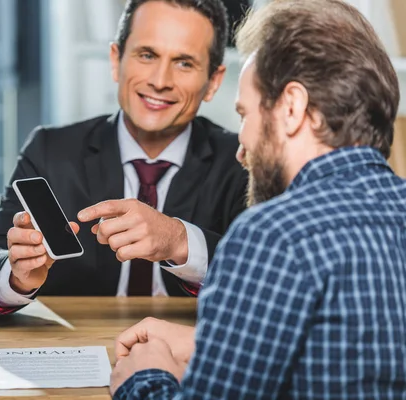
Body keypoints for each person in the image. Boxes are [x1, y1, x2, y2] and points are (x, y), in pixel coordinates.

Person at [109, 0, 406, 398]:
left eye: (246, 115)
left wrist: (143, 377)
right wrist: (213, 346)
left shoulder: (275, 236)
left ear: (292, 107)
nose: (241, 147)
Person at [0, 0, 247, 315]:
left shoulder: (243, 163)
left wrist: (179, 241)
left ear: (214, 81)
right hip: (76, 350)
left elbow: (271, 278)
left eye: (184, 63)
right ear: (116, 60)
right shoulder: (50, 151)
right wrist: (16, 276)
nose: (160, 80)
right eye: (147, 55)